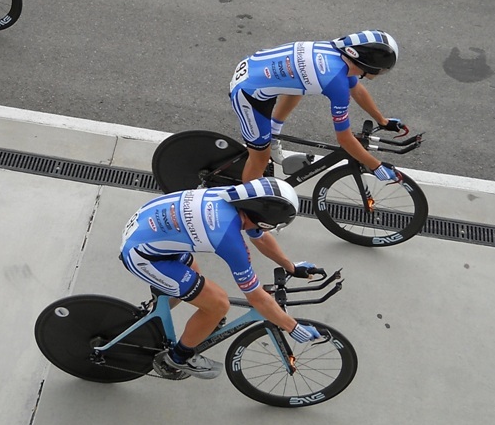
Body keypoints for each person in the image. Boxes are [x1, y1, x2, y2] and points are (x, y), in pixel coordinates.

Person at [120, 177, 323, 379]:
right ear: (264, 221)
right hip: (143, 256)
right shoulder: (229, 239)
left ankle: (156, 313)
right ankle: (178, 358)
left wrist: (291, 267)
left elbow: (260, 238)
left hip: (147, 230)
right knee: (218, 305)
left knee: (194, 275)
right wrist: (292, 327)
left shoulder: (236, 197)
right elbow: (257, 298)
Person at [229, 31, 404, 183]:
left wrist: (382, 121)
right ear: (369, 65)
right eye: (382, 70)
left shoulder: (339, 57)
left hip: (254, 67)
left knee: (298, 86)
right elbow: (344, 139)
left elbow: (357, 91)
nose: (381, 73)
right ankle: (248, 204)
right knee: (260, 158)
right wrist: (375, 165)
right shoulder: (337, 83)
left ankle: (273, 134)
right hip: (247, 94)